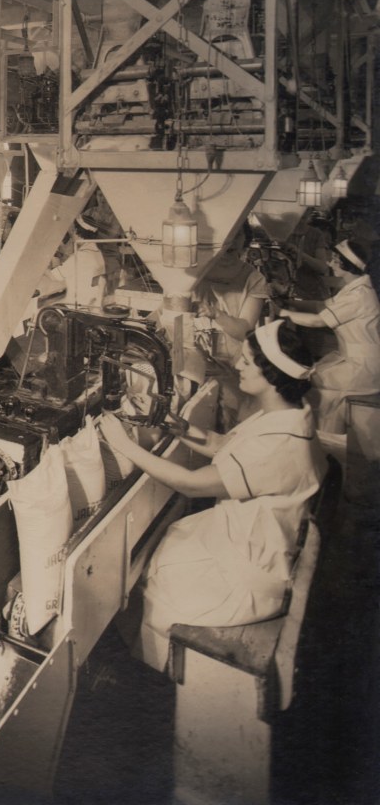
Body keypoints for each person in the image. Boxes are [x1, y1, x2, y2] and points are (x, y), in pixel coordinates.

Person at [98, 319, 326, 671]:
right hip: (250, 539)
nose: (237, 365)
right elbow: (224, 446)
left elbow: (192, 483)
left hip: (250, 579)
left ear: (272, 376)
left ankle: (155, 674)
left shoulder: (281, 446)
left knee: (157, 586)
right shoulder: (286, 416)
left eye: (247, 361)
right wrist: (174, 424)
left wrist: (122, 445)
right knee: (169, 544)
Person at [279, 238, 380, 433]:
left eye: (334, 259)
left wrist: (282, 312)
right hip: (356, 359)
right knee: (315, 378)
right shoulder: (355, 288)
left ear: (346, 265)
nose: (330, 263)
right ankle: (325, 433)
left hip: (364, 368)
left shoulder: (358, 296)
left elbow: (319, 321)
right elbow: (321, 306)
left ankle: (326, 437)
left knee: (313, 384)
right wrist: (289, 301)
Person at [193, 224, 269, 429]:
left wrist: (216, 314)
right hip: (198, 358)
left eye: (238, 235)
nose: (231, 241)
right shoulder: (196, 272)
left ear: (245, 241)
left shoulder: (254, 278)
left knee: (230, 418)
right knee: (195, 415)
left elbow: (245, 330)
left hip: (233, 362)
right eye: (227, 234)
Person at [37, 213, 107, 308]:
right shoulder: (97, 253)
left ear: (76, 231)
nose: (71, 234)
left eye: (73, 231)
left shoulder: (81, 256)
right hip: (91, 303)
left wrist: (39, 263)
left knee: (42, 306)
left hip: (77, 305)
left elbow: (54, 276)